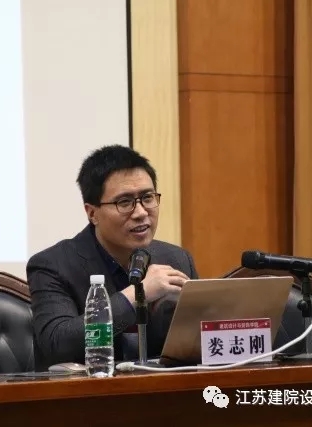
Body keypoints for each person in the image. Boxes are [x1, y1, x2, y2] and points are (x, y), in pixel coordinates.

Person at [27, 144, 199, 370]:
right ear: (92, 213)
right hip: (88, 389)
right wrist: (137, 294)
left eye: (147, 197)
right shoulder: (53, 265)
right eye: (124, 202)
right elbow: (58, 343)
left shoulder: (176, 259)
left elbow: (203, 340)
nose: (141, 213)